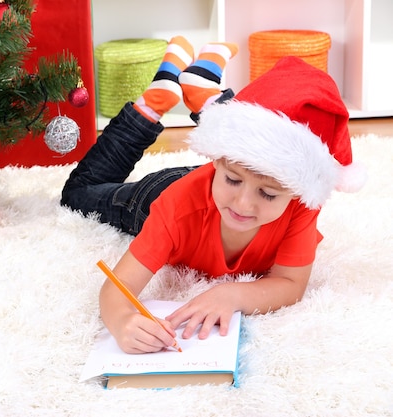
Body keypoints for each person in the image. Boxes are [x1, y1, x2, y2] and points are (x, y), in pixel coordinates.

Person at [60, 36, 367, 354]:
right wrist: (122, 320)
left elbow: (291, 285)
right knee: (78, 193)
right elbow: (116, 289)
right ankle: (149, 107)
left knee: (247, 152)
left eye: (268, 194)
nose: (244, 204)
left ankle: (203, 91)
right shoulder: (175, 206)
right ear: (216, 160)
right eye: (234, 180)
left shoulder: (301, 205)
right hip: (153, 195)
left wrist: (231, 295)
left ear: (297, 192)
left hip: (212, 183)